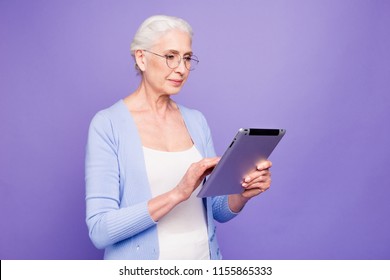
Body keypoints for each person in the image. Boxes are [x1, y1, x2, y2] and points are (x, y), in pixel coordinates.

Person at [85, 15, 272, 260]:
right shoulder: (108, 124)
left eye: (186, 58)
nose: (182, 68)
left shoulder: (196, 121)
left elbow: (215, 209)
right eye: (170, 56)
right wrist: (177, 194)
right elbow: (100, 230)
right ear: (142, 58)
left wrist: (242, 194)